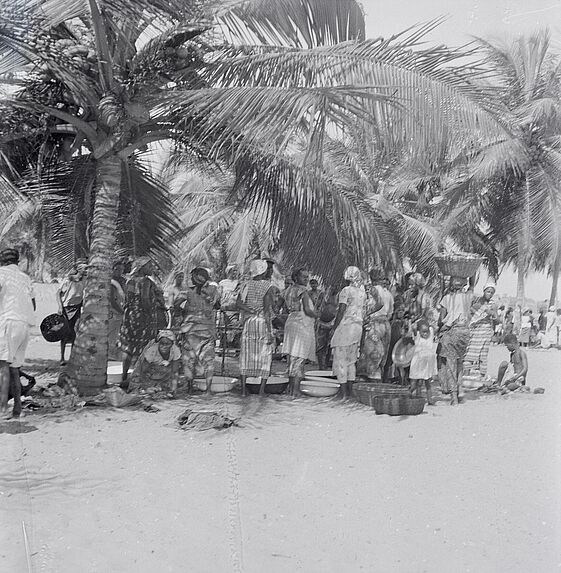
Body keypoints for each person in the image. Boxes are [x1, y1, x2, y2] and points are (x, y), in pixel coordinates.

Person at [0, 248, 36, 419]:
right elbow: (33, 304)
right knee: (15, 369)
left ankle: (2, 409)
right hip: (24, 326)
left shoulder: (1, 273)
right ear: (17, 260)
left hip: (8, 322)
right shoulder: (25, 278)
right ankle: (17, 409)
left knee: (3, 367)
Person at [174, 267, 220, 394]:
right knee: (208, 360)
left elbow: (176, 304)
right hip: (207, 330)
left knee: (189, 360)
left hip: (190, 330)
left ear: (193, 278)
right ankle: (208, 390)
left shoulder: (187, 292)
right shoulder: (213, 291)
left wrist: (182, 314)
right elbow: (218, 304)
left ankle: (189, 388)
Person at [119, 256, 162, 389]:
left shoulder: (130, 281)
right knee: (144, 347)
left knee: (128, 347)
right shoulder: (146, 281)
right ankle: (137, 378)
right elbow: (145, 300)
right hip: (143, 317)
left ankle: (124, 376)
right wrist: (150, 314)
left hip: (130, 316)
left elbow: (127, 299)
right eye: (149, 266)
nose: (152, 268)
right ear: (142, 268)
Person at [237, 260, 276, 396]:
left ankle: (243, 391)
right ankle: (261, 391)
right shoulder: (268, 286)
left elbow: (238, 303)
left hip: (249, 322)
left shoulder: (245, 285)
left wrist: (250, 310)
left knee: (246, 355)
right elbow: (266, 310)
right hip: (261, 323)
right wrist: (270, 332)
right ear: (264, 271)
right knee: (265, 356)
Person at [330, 266, 366, 397]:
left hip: (346, 327)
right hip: (357, 327)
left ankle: (343, 392)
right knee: (351, 361)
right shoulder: (362, 292)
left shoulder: (346, 291)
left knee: (341, 360)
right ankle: (350, 392)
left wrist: (334, 328)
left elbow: (341, 311)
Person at [437, 275, 473, 405]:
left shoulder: (446, 299)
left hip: (452, 332)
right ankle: (460, 389)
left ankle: (454, 396)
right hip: (465, 333)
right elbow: (472, 285)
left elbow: (442, 319)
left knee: (450, 364)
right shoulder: (468, 297)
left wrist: (439, 328)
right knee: (459, 362)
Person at [283, 269, 317, 396]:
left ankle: (291, 388)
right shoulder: (303, 291)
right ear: (296, 277)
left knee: (292, 358)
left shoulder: (287, 290)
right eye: (304, 277)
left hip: (291, 322)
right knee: (299, 358)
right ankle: (296, 390)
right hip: (301, 325)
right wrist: (317, 315)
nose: (306, 279)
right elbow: (307, 310)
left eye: (307, 277)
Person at [358, 269, 394, 381]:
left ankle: (373, 381)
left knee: (372, 353)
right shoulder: (388, 293)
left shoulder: (372, 290)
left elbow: (379, 304)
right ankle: (378, 379)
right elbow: (390, 313)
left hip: (375, 325)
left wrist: (368, 314)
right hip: (385, 325)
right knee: (381, 354)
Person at [129, 330, 181, 395]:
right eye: (162, 343)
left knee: (170, 380)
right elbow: (143, 371)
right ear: (159, 343)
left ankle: (158, 386)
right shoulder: (151, 351)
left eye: (167, 344)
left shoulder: (175, 350)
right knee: (139, 387)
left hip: (160, 373)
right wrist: (146, 387)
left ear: (172, 344)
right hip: (147, 372)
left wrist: (174, 389)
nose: (164, 346)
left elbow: (175, 371)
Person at [464, 282, 497, 379]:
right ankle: (466, 375)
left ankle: (481, 376)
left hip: (486, 331)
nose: (489, 294)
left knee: (483, 354)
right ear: (484, 291)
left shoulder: (493, 304)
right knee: (470, 352)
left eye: (492, 292)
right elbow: (469, 313)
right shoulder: (477, 302)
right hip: (475, 330)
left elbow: (497, 319)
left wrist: (490, 312)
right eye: (488, 291)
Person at [57, 259, 87, 365]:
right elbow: (58, 294)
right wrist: (60, 307)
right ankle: (62, 357)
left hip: (77, 307)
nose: (86, 270)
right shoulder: (68, 280)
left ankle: (72, 357)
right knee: (65, 333)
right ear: (79, 269)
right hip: (67, 308)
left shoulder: (84, 280)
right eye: (84, 268)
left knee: (75, 332)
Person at [409, 319, 437, 405]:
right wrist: (413, 327)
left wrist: (432, 325)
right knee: (416, 383)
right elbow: (414, 331)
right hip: (418, 364)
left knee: (428, 382)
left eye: (427, 331)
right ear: (419, 331)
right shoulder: (417, 336)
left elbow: (435, 329)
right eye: (423, 332)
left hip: (428, 365)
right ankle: (412, 396)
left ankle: (429, 399)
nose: (425, 334)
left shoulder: (431, 333)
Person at [316, 286, 338, 370]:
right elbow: (317, 307)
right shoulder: (323, 295)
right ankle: (321, 366)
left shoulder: (339, 296)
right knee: (320, 346)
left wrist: (334, 323)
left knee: (329, 346)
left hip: (332, 322)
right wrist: (317, 320)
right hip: (322, 322)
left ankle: (325, 365)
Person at [108, 261, 126, 361]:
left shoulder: (122, 281)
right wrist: (121, 311)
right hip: (113, 312)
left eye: (121, 270)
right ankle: (110, 355)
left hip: (120, 310)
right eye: (117, 269)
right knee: (112, 334)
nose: (119, 272)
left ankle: (113, 353)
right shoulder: (111, 282)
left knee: (117, 335)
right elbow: (111, 300)